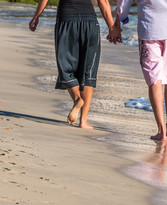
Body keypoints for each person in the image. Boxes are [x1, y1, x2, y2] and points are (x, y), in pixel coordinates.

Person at [29, 0, 121, 129]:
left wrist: (36, 17)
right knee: (89, 70)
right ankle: (83, 121)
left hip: (66, 21)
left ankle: (77, 99)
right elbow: (103, 2)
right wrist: (112, 28)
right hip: (90, 22)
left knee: (65, 67)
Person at [114, 0, 167, 141]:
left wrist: (117, 24)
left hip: (149, 31)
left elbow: (124, 2)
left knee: (154, 80)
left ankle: (161, 131)